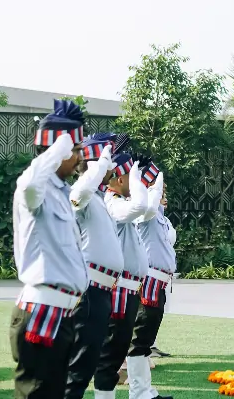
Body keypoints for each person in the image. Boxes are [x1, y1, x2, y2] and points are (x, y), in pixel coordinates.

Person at [11, 100, 88, 399]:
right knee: (38, 394)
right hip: (42, 311)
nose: (79, 157)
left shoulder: (62, 193)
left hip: (62, 312)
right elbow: (30, 184)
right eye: (76, 150)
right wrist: (57, 149)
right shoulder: (35, 190)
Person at [64, 135, 122, 399]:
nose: (112, 168)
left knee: (87, 363)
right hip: (89, 290)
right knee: (78, 366)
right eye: (108, 162)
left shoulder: (98, 198)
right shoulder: (82, 194)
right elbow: (78, 195)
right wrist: (99, 166)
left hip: (102, 291)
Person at [95, 151, 153, 398]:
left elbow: (144, 205)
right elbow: (140, 205)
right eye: (131, 177)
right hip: (120, 289)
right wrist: (138, 176)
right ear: (119, 179)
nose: (136, 182)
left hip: (129, 289)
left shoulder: (118, 200)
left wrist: (138, 174)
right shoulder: (112, 202)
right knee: (110, 355)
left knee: (117, 352)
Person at [130, 167, 176, 399]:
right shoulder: (145, 212)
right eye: (159, 188)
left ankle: (146, 391)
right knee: (139, 340)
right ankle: (138, 393)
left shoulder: (158, 214)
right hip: (149, 281)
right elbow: (146, 209)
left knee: (146, 340)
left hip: (160, 283)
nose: (162, 192)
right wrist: (151, 189)